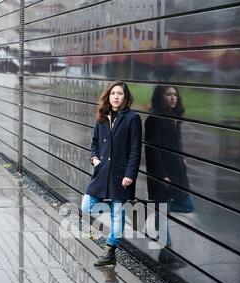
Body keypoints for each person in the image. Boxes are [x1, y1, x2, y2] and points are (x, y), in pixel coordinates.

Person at [81, 81, 142, 267]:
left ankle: (110, 250)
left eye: (120, 94)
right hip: (102, 172)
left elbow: (135, 150)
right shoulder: (102, 117)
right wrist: (94, 159)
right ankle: (119, 224)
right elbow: (94, 144)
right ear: (108, 95)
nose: (116, 96)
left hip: (121, 175)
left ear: (126, 97)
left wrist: (130, 175)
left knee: (117, 212)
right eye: (113, 93)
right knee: (86, 206)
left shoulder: (132, 118)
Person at [145, 86, 194, 251]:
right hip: (163, 171)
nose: (173, 98)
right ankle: (167, 248)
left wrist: (182, 157)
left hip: (176, 169)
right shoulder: (154, 119)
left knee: (188, 204)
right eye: (168, 94)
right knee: (163, 207)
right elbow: (153, 150)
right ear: (160, 97)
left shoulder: (174, 117)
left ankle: (156, 210)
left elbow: (176, 142)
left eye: (175, 95)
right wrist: (161, 175)